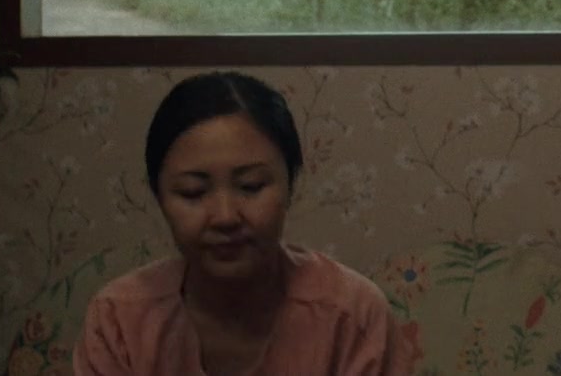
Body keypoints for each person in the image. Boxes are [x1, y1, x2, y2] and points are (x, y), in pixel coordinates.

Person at [73, 72, 406, 375]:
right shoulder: (119, 321)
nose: (225, 216)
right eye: (193, 192)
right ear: (159, 197)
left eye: (251, 186)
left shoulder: (352, 317)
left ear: (290, 185)